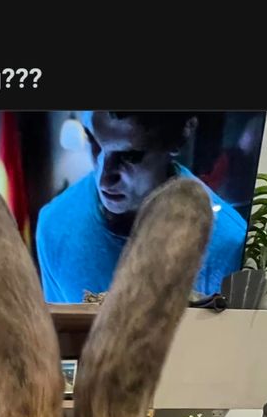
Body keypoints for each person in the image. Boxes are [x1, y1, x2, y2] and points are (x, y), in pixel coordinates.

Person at [36, 112, 247, 302]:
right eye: (94, 142)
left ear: (178, 137)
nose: (104, 178)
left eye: (130, 156)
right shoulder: (54, 225)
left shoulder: (227, 246)